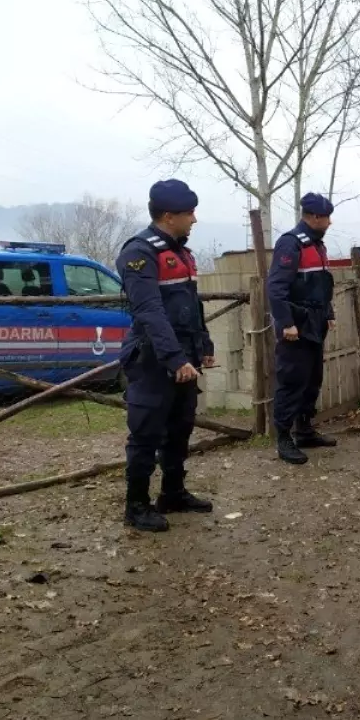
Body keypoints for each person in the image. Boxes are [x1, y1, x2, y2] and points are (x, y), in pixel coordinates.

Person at [116, 179, 215, 532]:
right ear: (169, 216)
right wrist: (174, 358)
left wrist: (203, 345)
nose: (194, 219)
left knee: (179, 429)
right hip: (153, 359)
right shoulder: (140, 253)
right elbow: (149, 312)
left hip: (184, 355)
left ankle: (172, 493)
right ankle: (136, 505)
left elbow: (191, 304)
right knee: (145, 433)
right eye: (189, 213)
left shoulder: (182, 252)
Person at [267, 192, 338, 465]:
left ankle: (305, 431)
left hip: (316, 321)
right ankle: (284, 438)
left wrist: (328, 313)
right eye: (327, 217)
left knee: (312, 379)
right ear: (314, 217)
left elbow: (321, 285)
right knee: (292, 380)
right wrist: (286, 323)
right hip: (296, 324)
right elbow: (276, 288)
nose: (330, 222)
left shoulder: (317, 245)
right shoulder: (291, 244)